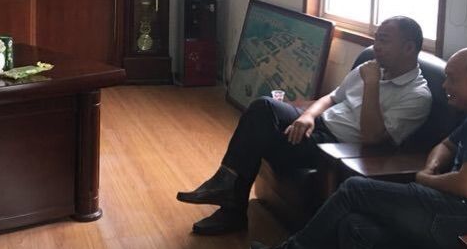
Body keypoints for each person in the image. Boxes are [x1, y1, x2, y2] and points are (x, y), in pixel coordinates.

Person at [249, 47, 467, 249]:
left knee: (355, 189)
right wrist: (431, 168)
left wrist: (425, 180)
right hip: (455, 210)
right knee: (356, 225)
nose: (445, 86)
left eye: (453, 79)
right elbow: (445, 146)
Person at [177, 16, 432, 235]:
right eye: (376, 39)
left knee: (258, 137)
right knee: (262, 107)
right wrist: (307, 116)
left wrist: (373, 85)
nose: (376, 47)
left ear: (409, 48)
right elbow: (332, 97)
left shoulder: (417, 96)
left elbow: (372, 137)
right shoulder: (371, 67)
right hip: (318, 123)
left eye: (384, 41)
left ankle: (231, 206)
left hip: (336, 146)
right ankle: (225, 183)